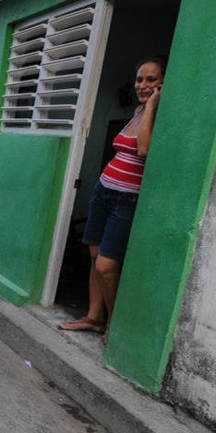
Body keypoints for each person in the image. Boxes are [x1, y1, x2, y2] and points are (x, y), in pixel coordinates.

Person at [59, 56, 166, 343]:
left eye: (151, 79)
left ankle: (114, 324)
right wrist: (145, 107)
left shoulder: (159, 113)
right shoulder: (136, 111)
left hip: (126, 200)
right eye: (140, 79)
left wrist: (153, 106)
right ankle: (94, 318)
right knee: (94, 257)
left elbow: (144, 151)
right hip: (103, 192)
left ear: (163, 83)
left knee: (107, 266)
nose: (143, 85)